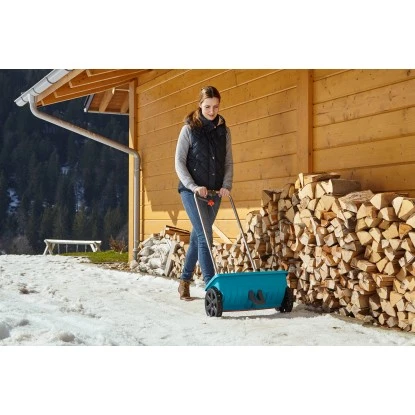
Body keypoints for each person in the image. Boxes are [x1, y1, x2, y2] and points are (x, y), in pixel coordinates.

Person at [174, 86, 234, 300]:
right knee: (205, 235)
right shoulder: (189, 129)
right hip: (191, 191)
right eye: (207, 106)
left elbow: (228, 162)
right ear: (200, 105)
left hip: (214, 192)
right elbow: (179, 162)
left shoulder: (224, 131)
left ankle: (184, 281)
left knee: (197, 235)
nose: (211, 111)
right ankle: (211, 286)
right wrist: (192, 186)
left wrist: (226, 185)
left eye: (215, 107)